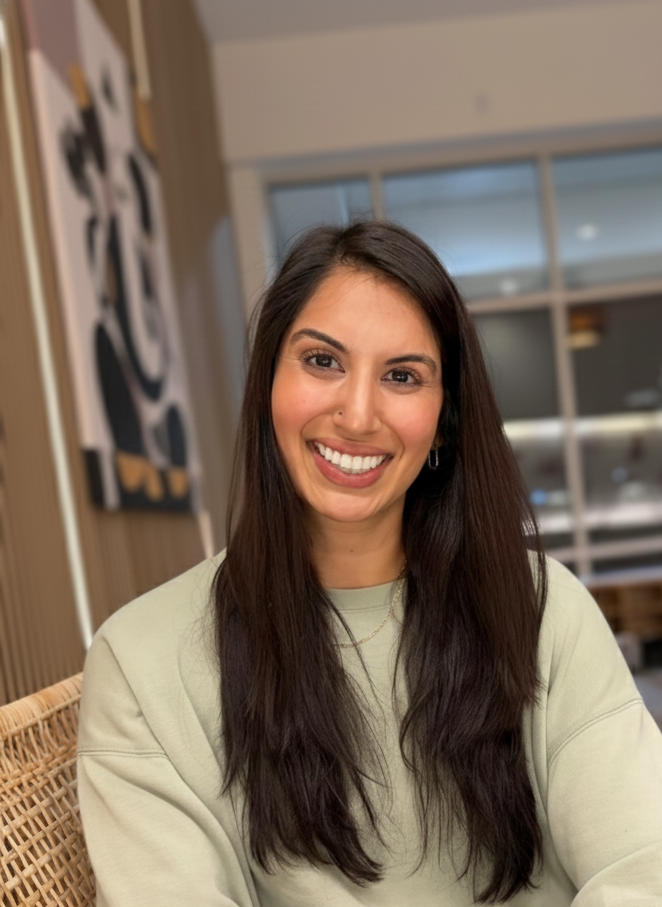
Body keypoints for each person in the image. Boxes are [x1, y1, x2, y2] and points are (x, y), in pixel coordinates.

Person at [78, 221, 662, 906]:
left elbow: (643, 865)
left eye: (403, 375)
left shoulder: (541, 609)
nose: (357, 414)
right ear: (268, 382)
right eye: (322, 361)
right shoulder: (142, 661)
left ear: (444, 417)